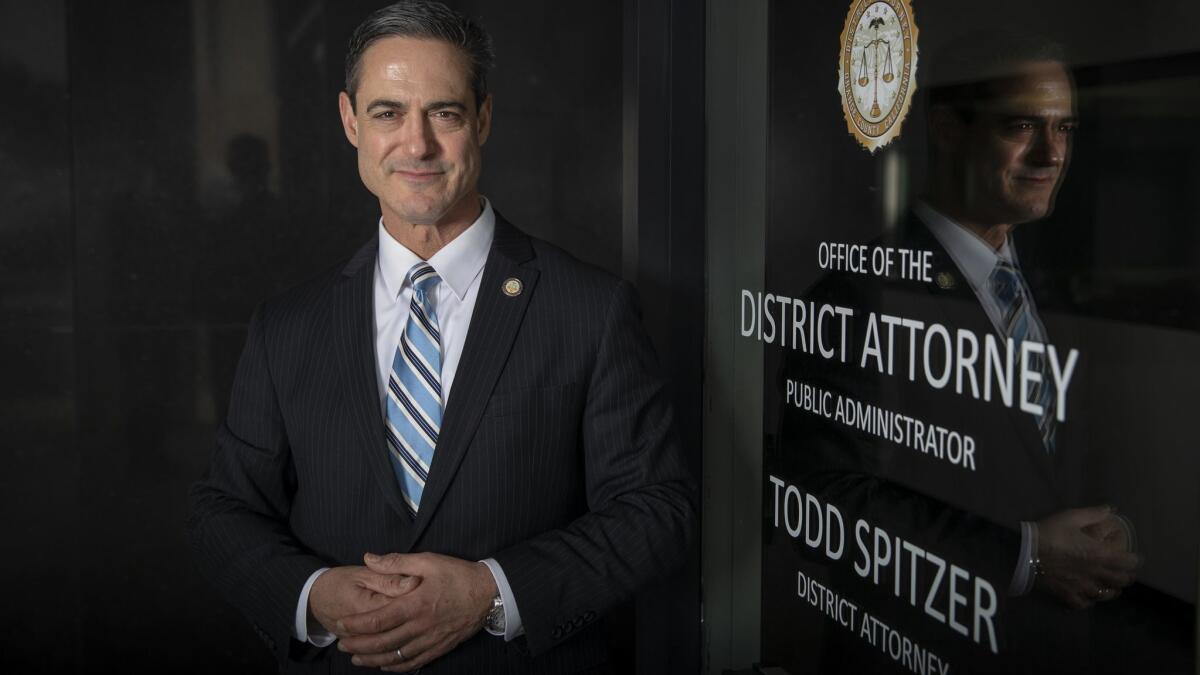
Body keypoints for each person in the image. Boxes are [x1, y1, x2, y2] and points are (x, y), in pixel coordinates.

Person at [187, 3, 696, 673]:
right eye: (387, 112)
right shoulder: (287, 327)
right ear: (350, 122)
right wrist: (313, 595)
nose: (417, 144)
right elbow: (224, 509)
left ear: (483, 117)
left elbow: (658, 511)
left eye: (445, 113)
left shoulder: (589, 309)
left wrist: (491, 590)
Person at [779, 35, 1137, 673]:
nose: (1051, 154)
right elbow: (825, 504)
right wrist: (1023, 555)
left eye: (1065, 128)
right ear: (946, 130)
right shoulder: (860, 293)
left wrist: (1106, 540)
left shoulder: (1057, 284)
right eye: (1021, 126)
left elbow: (1050, 461)